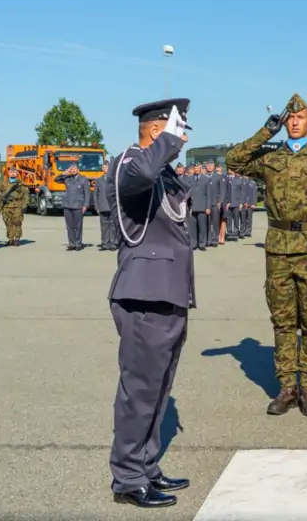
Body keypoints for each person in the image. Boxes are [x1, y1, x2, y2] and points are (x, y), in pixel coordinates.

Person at [227, 93, 307, 416]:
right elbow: (234, 161)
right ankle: (287, 388)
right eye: (290, 119)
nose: (294, 123)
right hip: (279, 248)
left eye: (300, 118)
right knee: (282, 322)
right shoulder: (270, 159)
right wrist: (265, 132)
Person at [107, 98, 194, 508]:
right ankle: (127, 478)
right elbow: (140, 174)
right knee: (139, 390)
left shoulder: (164, 171)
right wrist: (169, 141)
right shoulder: (130, 161)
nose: (182, 138)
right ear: (156, 130)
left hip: (169, 293)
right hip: (143, 294)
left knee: (159, 388)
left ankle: (145, 465)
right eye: (177, 129)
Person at [56, 164, 90, 250]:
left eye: (75, 169)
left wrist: (85, 205)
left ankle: (78, 244)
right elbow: (56, 179)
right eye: (72, 169)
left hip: (78, 206)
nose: (73, 170)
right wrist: (64, 173)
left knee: (78, 226)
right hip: (67, 205)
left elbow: (87, 193)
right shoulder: (67, 178)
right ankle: (72, 244)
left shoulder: (83, 179)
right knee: (69, 226)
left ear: (78, 170)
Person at [0, 165, 30, 246]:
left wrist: (25, 205)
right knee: (8, 223)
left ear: (16, 173)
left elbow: (26, 195)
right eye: (11, 172)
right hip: (6, 206)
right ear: (8, 173)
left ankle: (17, 239)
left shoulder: (20, 184)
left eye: (14, 172)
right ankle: (10, 239)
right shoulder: (3, 183)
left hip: (17, 206)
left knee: (17, 222)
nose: (12, 174)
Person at [94, 162, 119, 250]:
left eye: (107, 167)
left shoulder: (114, 179)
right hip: (102, 206)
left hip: (112, 206)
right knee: (104, 227)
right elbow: (95, 195)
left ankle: (113, 243)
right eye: (104, 167)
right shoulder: (98, 180)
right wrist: (96, 207)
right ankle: (105, 243)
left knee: (113, 226)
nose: (106, 169)